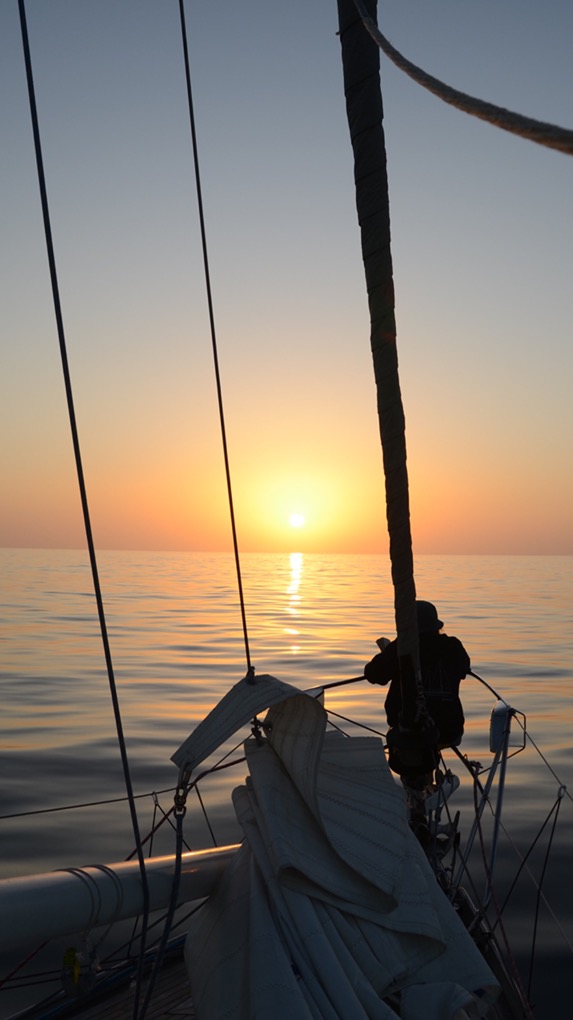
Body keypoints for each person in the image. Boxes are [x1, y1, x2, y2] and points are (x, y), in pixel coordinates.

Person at [365, 600, 470, 830]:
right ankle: (424, 790)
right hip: (449, 730)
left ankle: (416, 798)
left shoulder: (402, 649)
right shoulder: (453, 647)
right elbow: (464, 668)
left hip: (409, 733)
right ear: (436, 626)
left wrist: (394, 652)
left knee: (413, 741)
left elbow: (372, 674)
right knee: (423, 742)